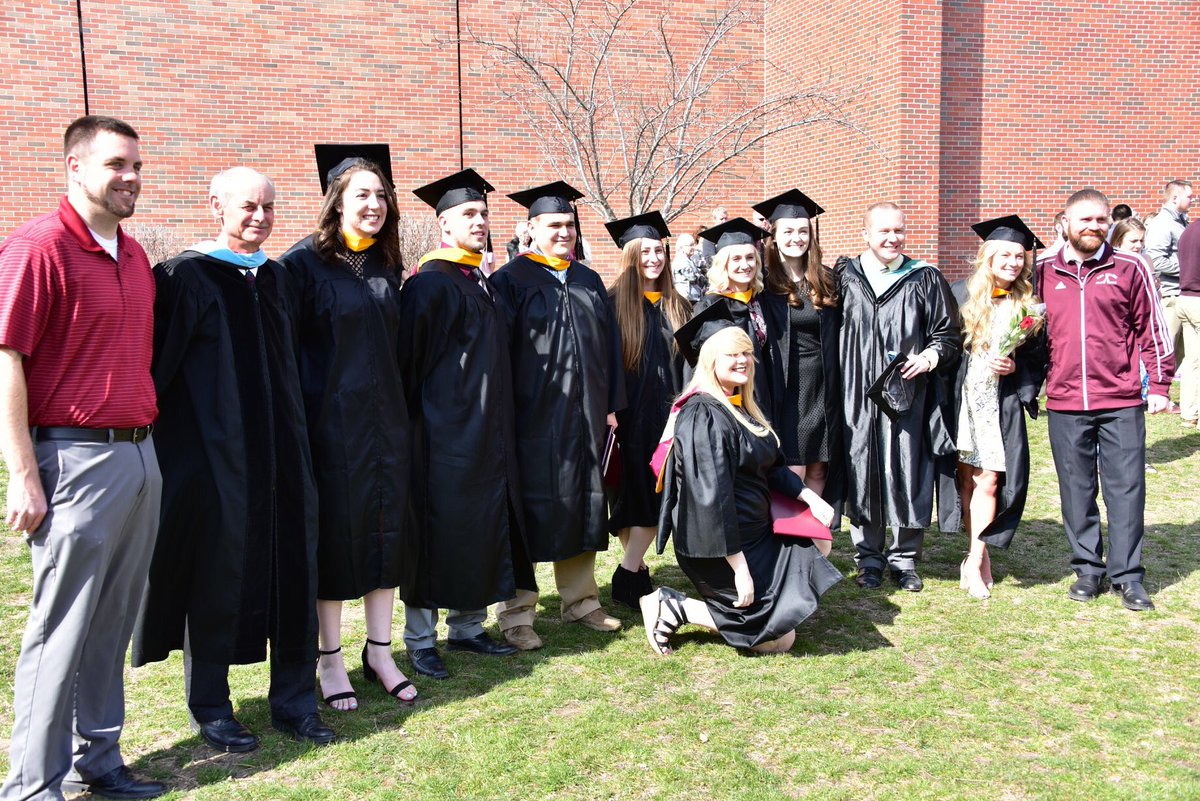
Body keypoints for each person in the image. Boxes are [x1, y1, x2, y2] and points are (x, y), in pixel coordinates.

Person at [133, 167, 333, 751]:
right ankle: (212, 706)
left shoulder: (277, 278)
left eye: (269, 208)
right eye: (248, 207)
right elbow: (159, 375)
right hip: (218, 460)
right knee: (217, 574)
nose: (260, 217)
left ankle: (295, 702)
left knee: (295, 570)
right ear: (215, 206)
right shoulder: (185, 277)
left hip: (287, 455)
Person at [0, 115, 165, 801]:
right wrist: (23, 473)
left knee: (111, 621)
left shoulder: (133, 254)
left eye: (135, 165)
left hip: (139, 458)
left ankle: (98, 758)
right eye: (114, 164)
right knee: (59, 626)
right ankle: (32, 786)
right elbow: (7, 360)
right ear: (74, 166)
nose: (129, 177)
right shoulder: (39, 248)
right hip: (72, 462)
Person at [277, 145, 418, 709]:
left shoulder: (386, 264)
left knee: (387, 536)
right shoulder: (300, 266)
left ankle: (380, 651)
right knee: (338, 541)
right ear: (336, 202)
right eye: (362, 194)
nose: (375, 204)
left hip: (387, 425)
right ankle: (329, 658)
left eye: (381, 195)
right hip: (330, 427)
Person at [642, 305, 841, 655]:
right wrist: (740, 569)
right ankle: (674, 607)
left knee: (818, 543)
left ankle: (758, 611)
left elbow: (773, 467)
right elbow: (711, 498)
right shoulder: (702, 414)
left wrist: (812, 499)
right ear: (710, 361)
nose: (742, 360)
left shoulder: (740, 405)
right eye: (731, 354)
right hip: (717, 545)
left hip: (756, 534)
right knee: (777, 642)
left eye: (747, 353)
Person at [398, 168, 532, 676]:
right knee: (435, 533)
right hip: (442, 434)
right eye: (468, 215)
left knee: (478, 528)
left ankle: (468, 628)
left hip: (487, 432)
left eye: (483, 213)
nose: (480, 222)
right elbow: (410, 365)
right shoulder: (430, 283)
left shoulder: (478, 279)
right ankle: (419, 639)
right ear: (443, 225)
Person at [489, 181, 626, 650]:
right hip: (532, 419)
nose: (565, 232)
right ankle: (517, 612)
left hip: (585, 415)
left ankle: (581, 601)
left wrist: (611, 406)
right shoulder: (510, 280)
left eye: (570, 225)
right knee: (527, 510)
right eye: (554, 225)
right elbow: (499, 354)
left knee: (583, 504)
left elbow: (609, 349)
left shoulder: (587, 279)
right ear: (531, 229)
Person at [1036, 188, 1174, 611]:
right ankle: (1088, 569)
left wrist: (1162, 386)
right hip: (1064, 400)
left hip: (1120, 399)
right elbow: (1025, 330)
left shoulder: (1130, 267)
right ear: (1065, 223)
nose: (1095, 227)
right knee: (1076, 489)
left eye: (1101, 220)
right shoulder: (1041, 271)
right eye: (1086, 220)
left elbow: (1152, 327)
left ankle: (1128, 575)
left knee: (1126, 489)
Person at [837, 201, 961, 592]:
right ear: (866, 234)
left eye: (899, 231)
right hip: (855, 394)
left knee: (909, 467)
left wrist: (929, 356)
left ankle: (905, 558)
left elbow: (949, 335)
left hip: (907, 392)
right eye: (883, 231)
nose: (892, 238)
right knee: (863, 467)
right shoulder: (845, 276)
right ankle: (869, 558)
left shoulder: (924, 278)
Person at [941, 216, 1047, 600]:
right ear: (988, 257)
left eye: (1019, 256)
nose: (1013, 262)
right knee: (967, 479)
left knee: (991, 479)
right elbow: (945, 345)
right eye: (1005, 254)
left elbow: (1039, 357)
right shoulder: (958, 294)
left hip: (999, 403)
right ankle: (976, 557)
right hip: (964, 398)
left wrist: (1017, 368)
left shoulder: (1030, 306)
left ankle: (976, 556)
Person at [603, 212, 691, 608]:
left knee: (656, 495)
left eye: (659, 250)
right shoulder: (610, 306)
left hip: (669, 416)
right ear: (631, 257)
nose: (653, 258)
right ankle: (634, 572)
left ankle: (629, 572)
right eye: (645, 251)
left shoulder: (680, 306)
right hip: (627, 417)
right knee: (630, 498)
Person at [756, 189, 844, 513]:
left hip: (824, 384)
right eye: (788, 231)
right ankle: (791, 540)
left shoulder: (827, 279)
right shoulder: (763, 283)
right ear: (774, 235)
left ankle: (812, 543)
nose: (797, 237)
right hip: (786, 385)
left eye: (803, 231)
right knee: (793, 468)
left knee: (819, 466)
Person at [691, 218, 783, 423]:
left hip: (765, 401)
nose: (745, 265)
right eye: (736, 259)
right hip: (729, 410)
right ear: (724, 263)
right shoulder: (709, 307)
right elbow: (699, 368)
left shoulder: (761, 300)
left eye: (750, 257)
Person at [1144, 180, 1192, 386]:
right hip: (1169, 295)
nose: (1192, 199)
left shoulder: (1181, 222)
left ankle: (1165, 393)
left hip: (1182, 294)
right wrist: (1190, 269)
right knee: (1165, 349)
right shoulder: (1163, 223)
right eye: (1189, 196)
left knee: (1181, 352)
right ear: (1174, 198)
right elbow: (1157, 259)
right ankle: (1153, 392)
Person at [1177, 222, 1200, 428]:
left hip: (1184, 298)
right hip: (1198, 299)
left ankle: (1190, 414)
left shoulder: (1189, 230)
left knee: (1193, 362)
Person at [671, 232, 706, 302]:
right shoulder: (680, 260)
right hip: (685, 298)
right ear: (682, 247)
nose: (694, 247)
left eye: (693, 245)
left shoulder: (689, 260)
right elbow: (692, 277)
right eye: (690, 245)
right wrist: (701, 276)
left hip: (693, 297)